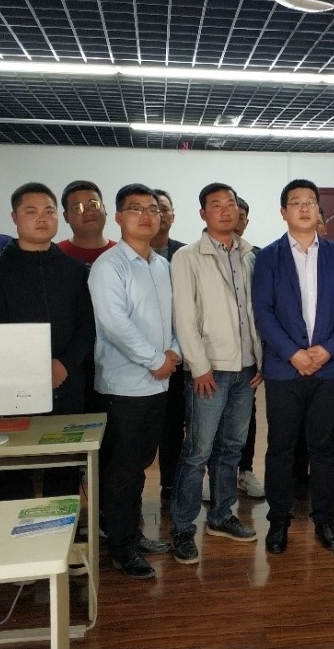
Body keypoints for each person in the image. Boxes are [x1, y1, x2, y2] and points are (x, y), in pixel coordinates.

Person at [252, 179, 334, 555]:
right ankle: (279, 520)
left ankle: (324, 518)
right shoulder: (268, 257)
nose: (304, 208)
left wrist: (327, 350)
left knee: (323, 447)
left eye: (310, 202)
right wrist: (293, 353)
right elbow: (263, 312)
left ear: (318, 210)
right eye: (295, 202)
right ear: (284, 212)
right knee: (281, 447)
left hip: (328, 369)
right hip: (285, 370)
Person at [88, 183, 181, 580]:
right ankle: (121, 548)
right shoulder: (109, 266)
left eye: (152, 209)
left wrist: (174, 352)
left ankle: (132, 533)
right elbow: (115, 324)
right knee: (122, 471)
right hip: (123, 387)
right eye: (136, 208)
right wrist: (156, 359)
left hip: (158, 383)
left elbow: (173, 318)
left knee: (140, 465)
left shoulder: (162, 265)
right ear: (119, 216)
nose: (146, 215)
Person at [168, 183, 263, 565]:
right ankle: (182, 527)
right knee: (197, 452)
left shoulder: (249, 255)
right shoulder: (187, 257)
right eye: (216, 205)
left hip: (246, 369)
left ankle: (222, 516)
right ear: (203, 213)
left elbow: (257, 312)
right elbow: (184, 316)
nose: (226, 210)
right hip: (210, 370)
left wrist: (260, 358)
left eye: (231, 204)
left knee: (231, 449)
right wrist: (198, 366)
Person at [0, 182, 95, 417]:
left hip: (69, 384)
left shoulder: (75, 270)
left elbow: (87, 325)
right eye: (31, 212)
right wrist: (32, 369)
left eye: (49, 211)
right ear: (14, 217)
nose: (42, 218)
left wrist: (64, 364)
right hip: (16, 387)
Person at [151, 189, 188, 500]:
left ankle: (171, 482)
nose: (160, 215)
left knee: (174, 422)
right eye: (153, 209)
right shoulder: (129, 255)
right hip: (141, 357)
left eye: (164, 209)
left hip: (178, 354)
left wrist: (176, 351)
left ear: (173, 215)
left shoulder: (184, 254)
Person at [232, 195, 265, 499]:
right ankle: (215, 473)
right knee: (211, 419)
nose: (235, 219)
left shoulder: (256, 256)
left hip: (249, 353)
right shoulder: (196, 255)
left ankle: (245, 471)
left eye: (241, 215)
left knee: (247, 416)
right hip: (214, 356)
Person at [59, 180, 116, 266]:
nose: (88, 212)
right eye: (78, 208)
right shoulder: (54, 255)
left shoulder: (123, 255)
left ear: (104, 209)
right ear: (66, 217)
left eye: (93, 205)